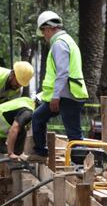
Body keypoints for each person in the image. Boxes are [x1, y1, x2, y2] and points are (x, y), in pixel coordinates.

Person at [32, 11, 88, 160]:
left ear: (49, 28)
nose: (44, 35)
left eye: (43, 31)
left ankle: (80, 166)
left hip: (66, 96)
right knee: (38, 117)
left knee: (74, 135)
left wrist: (56, 96)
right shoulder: (67, 41)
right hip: (68, 94)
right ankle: (41, 151)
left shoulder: (59, 44)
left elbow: (62, 72)